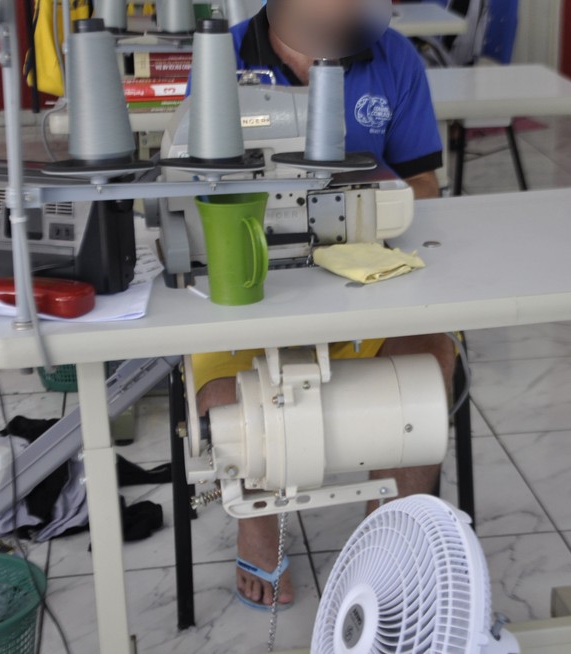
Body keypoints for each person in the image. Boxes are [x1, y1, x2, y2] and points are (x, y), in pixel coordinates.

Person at [194, 0, 455, 609]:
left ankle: (391, 542)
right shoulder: (219, 59)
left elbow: (425, 184)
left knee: (428, 363)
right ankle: (259, 530)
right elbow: (195, 184)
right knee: (230, 400)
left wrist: (365, 201)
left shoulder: (394, 59)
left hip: (365, 273)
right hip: (256, 276)